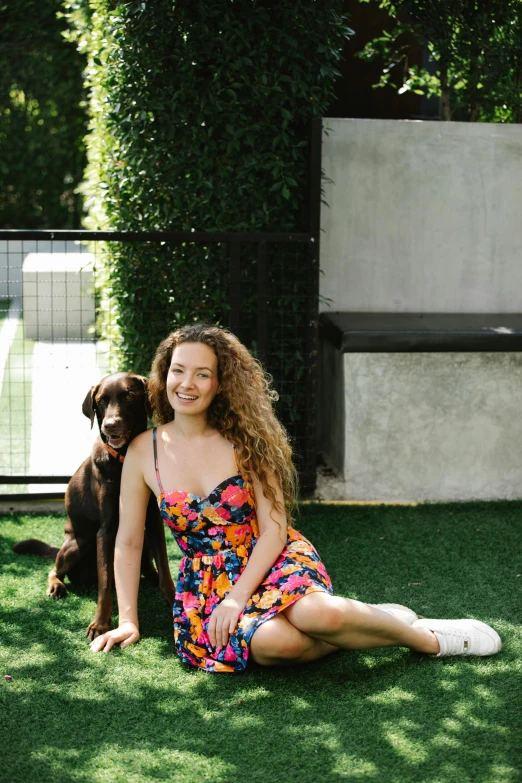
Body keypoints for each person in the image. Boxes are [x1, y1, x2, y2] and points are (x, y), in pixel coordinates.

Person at [90, 324, 501, 672]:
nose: (187, 384)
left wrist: (237, 599)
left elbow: (273, 531)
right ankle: (377, 619)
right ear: (164, 377)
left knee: (313, 614)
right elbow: (128, 541)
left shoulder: (247, 440)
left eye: (202, 374)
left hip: (270, 556)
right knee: (278, 644)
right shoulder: (145, 450)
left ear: (220, 383)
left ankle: (426, 638)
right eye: (178, 370)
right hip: (207, 582)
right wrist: (128, 620)